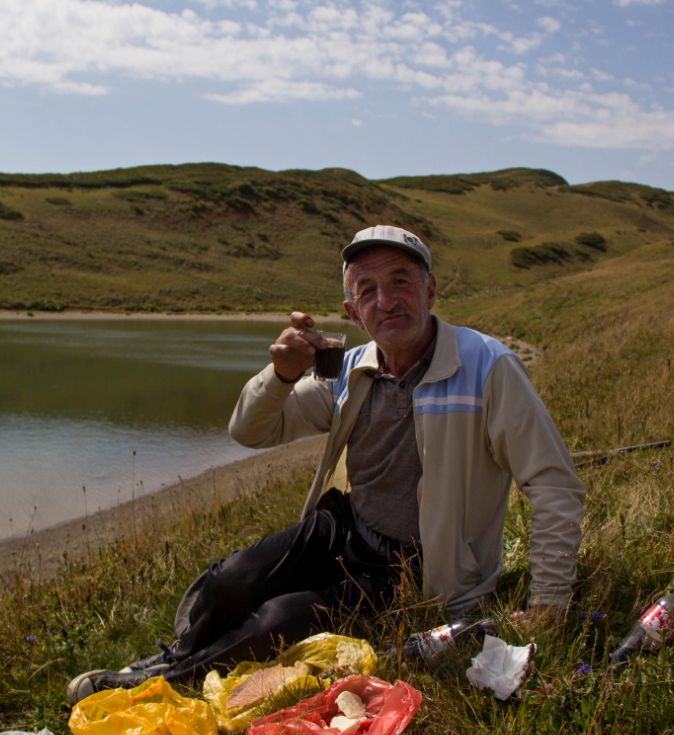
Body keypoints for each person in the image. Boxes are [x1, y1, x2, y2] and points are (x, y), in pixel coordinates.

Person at [66, 225, 585, 704]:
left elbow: (554, 485)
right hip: (345, 528)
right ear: (353, 310)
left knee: (278, 620)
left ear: (431, 291)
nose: (387, 301)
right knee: (230, 580)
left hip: (418, 568)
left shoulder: (487, 368)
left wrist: (549, 601)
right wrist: (281, 375)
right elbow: (251, 430)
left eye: (401, 281)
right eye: (368, 290)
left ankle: (159, 684)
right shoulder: (352, 369)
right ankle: (173, 657)